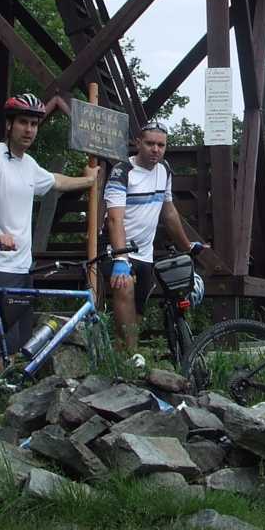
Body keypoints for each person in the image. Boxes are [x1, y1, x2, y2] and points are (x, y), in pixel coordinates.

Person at [0, 93, 98, 348]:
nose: (29, 129)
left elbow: (55, 181)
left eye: (34, 124)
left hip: (22, 267)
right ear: (9, 125)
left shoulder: (28, 165)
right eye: (23, 122)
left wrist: (88, 180)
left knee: (17, 344)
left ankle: (2, 386)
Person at [102, 121, 204, 365]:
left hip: (145, 254)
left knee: (135, 317)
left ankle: (122, 365)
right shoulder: (122, 171)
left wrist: (187, 247)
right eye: (150, 144)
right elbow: (115, 219)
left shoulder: (164, 169)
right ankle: (131, 358)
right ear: (138, 143)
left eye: (161, 145)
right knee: (123, 289)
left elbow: (169, 213)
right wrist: (120, 258)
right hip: (118, 251)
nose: (156, 149)